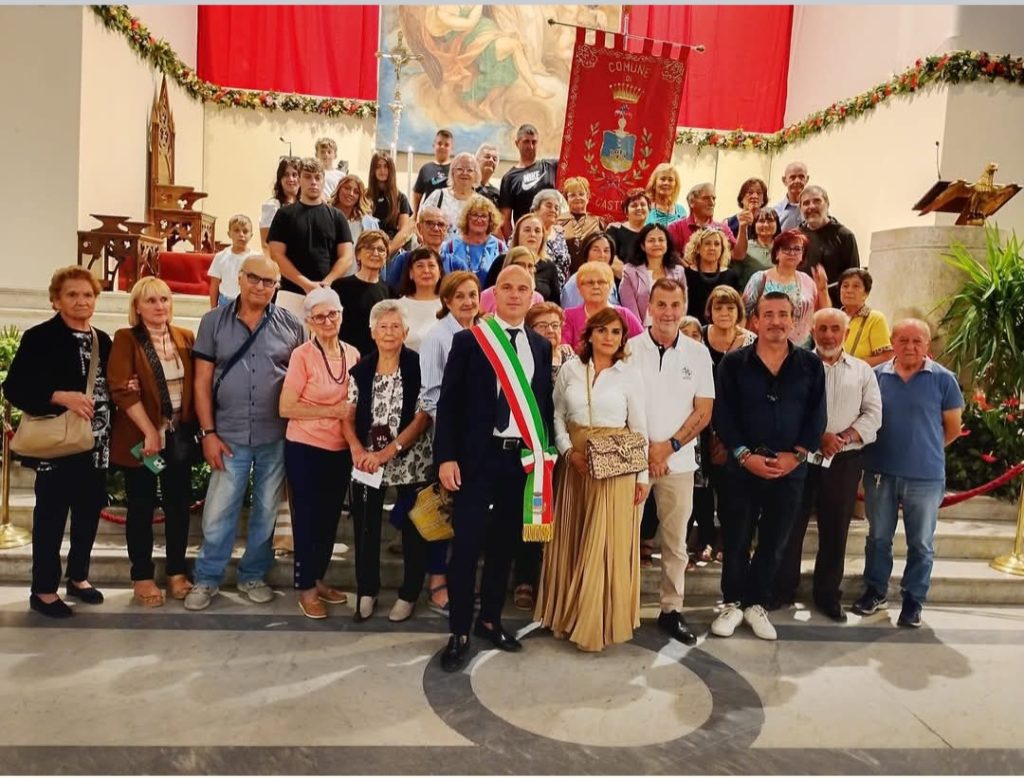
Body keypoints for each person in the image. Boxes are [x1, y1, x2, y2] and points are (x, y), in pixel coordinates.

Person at [434, 265, 555, 672]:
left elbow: (542, 405)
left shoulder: (540, 346)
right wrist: (446, 457)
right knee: (467, 547)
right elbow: (449, 403)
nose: (515, 295)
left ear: (532, 296)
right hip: (476, 458)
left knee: (504, 545)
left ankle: (489, 620)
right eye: (507, 287)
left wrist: (544, 455)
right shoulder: (470, 340)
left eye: (523, 288)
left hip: (518, 460)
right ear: (495, 294)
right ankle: (459, 631)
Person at [185, 256, 306, 611]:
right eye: (254, 278)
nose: (261, 287)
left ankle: (252, 575)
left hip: (275, 435)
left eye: (269, 282)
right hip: (228, 434)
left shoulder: (291, 324)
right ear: (239, 278)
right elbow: (202, 381)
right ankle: (207, 578)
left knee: (266, 511)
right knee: (218, 511)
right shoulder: (213, 322)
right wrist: (208, 432)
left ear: (276, 287)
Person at [711, 292, 826, 640]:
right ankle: (733, 602)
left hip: (790, 470)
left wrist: (798, 454)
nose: (776, 321)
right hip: (742, 468)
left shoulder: (810, 365)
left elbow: (817, 416)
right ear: (755, 321)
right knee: (736, 537)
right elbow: (723, 414)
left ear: (794, 320)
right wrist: (745, 455)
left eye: (783, 314)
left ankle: (756, 603)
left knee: (775, 540)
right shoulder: (733, 364)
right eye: (769, 314)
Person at [535, 307, 649, 651]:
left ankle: (595, 625)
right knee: (572, 539)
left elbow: (639, 427)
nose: (609, 338)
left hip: (615, 467)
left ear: (623, 339)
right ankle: (567, 617)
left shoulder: (629, 374)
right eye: (602, 330)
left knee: (603, 544)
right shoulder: (570, 369)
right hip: (575, 464)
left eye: (616, 332)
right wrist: (568, 451)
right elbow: (556, 415)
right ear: (589, 334)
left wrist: (642, 476)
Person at [3, 267, 112, 618]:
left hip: (95, 443)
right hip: (57, 444)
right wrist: (58, 396)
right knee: (50, 518)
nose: (81, 301)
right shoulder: (40, 337)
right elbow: (14, 388)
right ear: (56, 300)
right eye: (72, 295)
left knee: (87, 514)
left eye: (88, 295)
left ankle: (78, 577)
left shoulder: (102, 339)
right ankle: (44, 590)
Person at [852, 319, 963, 628]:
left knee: (921, 543)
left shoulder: (944, 380)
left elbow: (953, 428)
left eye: (917, 341)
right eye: (903, 340)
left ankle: (913, 600)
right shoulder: (875, 377)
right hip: (880, 472)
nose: (910, 346)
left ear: (927, 344)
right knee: (878, 537)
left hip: (925, 476)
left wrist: (923, 448)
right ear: (892, 342)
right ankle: (875, 591)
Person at [773, 308, 882, 621]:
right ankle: (782, 589)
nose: (829, 335)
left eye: (836, 329)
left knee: (835, 530)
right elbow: (784, 408)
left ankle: (827, 595)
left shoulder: (862, 371)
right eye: (822, 329)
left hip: (843, 460)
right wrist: (817, 436)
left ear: (846, 333)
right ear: (813, 331)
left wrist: (843, 438)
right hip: (800, 458)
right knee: (790, 525)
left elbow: (873, 414)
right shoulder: (795, 365)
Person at [628, 278, 715, 645]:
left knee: (676, 543)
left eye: (674, 305)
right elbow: (622, 402)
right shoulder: (630, 348)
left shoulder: (698, 353)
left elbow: (704, 410)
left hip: (678, 463)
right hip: (633, 462)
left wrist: (669, 447)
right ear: (649, 307)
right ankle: (621, 608)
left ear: (684, 307)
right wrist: (647, 451)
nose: (667, 312)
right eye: (661, 304)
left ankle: (671, 610)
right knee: (624, 538)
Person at [108, 277, 196, 607]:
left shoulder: (185, 336)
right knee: (141, 506)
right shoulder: (127, 338)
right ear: (137, 307)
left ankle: (176, 571)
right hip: (142, 438)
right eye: (151, 300)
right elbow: (121, 389)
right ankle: (142, 576)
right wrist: (149, 431)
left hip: (178, 436)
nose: (160, 306)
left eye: (164, 299)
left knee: (178, 506)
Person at [344, 301, 434, 623]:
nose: (389, 332)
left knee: (413, 530)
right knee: (366, 528)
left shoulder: (419, 367)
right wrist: (357, 449)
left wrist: (389, 451)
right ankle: (367, 591)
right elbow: (347, 415)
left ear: (406, 332)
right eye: (383, 326)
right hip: (368, 463)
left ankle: (409, 594)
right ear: (372, 332)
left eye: (396, 326)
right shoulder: (361, 370)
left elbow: (422, 417)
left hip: (411, 460)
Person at [279, 287, 359, 619]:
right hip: (305, 448)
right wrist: (331, 411)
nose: (327, 321)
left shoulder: (353, 354)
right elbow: (286, 407)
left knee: (328, 521)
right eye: (320, 316)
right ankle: (306, 588)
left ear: (341, 315)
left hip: (339, 449)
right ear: (309, 321)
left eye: (333, 314)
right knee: (308, 521)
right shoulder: (302, 355)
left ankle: (318, 578)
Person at [418, 270, 482, 616]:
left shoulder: (484, 332)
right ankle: (438, 582)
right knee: (442, 512)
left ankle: (462, 577)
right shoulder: (438, 337)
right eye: (460, 296)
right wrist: (451, 439)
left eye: (473, 295)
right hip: (449, 439)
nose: (468, 302)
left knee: (466, 515)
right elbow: (430, 395)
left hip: (478, 441)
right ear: (446, 300)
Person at [266, 157, 354, 321]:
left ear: (323, 180)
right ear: (299, 179)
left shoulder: (337, 217)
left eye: (317, 177)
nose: (313, 182)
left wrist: (327, 283)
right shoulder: (284, 215)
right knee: (285, 338)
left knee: (324, 338)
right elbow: (276, 255)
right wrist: (305, 284)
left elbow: (347, 257)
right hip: (291, 294)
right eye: (307, 177)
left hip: (327, 294)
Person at [742, 229, 830, 347]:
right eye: (786, 248)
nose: (792, 252)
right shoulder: (760, 278)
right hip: (764, 347)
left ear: (802, 255)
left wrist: (823, 289)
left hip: (802, 349)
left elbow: (823, 315)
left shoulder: (808, 281)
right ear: (777, 253)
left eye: (797, 249)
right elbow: (742, 313)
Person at [334, 230, 394, 357]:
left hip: (377, 360)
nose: (375, 253)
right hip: (346, 358)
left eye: (381, 250)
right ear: (358, 254)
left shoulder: (389, 292)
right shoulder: (340, 287)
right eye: (369, 248)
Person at [562, 262, 644, 353]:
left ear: (610, 286)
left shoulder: (624, 314)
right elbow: (563, 345)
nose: (596, 286)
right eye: (590, 283)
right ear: (579, 288)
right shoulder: (569, 315)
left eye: (601, 282)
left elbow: (643, 344)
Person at [798, 185, 860, 307]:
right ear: (800, 209)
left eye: (817, 201)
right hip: (801, 307)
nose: (811, 206)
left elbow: (853, 277)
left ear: (827, 204)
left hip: (835, 308)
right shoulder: (795, 237)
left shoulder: (844, 236)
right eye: (806, 203)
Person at [484, 212, 560, 303]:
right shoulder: (502, 261)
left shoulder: (549, 266)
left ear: (543, 236)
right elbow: (487, 297)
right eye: (527, 230)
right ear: (517, 234)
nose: (532, 234)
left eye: (537, 231)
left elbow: (555, 304)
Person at [498, 123, 559, 237]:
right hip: (527, 237)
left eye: (534, 142)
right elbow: (505, 219)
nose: (530, 146)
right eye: (526, 142)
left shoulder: (552, 166)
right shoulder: (509, 178)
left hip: (552, 236)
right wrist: (512, 243)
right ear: (517, 143)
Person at [620, 224, 688, 324]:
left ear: (667, 244)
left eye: (661, 240)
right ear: (642, 246)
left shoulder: (679, 271)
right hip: (642, 329)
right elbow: (630, 312)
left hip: (672, 328)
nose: (657, 244)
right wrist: (643, 333)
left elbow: (683, 305)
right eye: (651, 240)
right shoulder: (630, 272)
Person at [439, 194, 507, 286]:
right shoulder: (450, 247)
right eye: (475, 215)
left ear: (490, 220)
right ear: (467, 218)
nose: (479, 220)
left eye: (483, 216)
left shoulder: (500, 248)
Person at [384, 206, 450, 294]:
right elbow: (390, 293)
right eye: (430, 223)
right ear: (419, 228)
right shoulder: (403, 260)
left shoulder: (455, 263)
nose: (436, 228)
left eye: (441, 224)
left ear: (446, 230)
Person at [682, 228, 742, 324]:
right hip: (692, 328)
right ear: (698, 248)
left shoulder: (731, 276)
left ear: (722, 249)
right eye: (707, 243)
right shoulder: (685, 274)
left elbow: (739, 309)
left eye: (717, 244)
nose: (712, 248)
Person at [838, 268, 893, 366]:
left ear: (866, 293)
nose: (849, 290)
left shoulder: (875, 319)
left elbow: (886, 356)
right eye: (845, 286)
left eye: (856, 286)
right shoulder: (834, 317)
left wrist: (852, 367)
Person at [668, 182, 737, 255]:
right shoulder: (675, 228)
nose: (712, 203)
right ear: (692, 202)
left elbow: (737, 255)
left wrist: (742, 227)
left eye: (713, 198)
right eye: (706, 198)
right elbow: (669, 256)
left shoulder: (722, 228)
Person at [395, 246, 442, 351]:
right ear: (411, 273)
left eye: (431, 265)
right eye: (420, 266)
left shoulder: (450, 305)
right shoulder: (397, 307)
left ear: (440, 272)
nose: (426, 271)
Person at [422, 151, 480, 237]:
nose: (465, 173)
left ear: (476, 175)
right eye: (460, 169)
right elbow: (421, 221)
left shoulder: (480, 202)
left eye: (470, 170)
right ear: (453, 172)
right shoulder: (438, 196)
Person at [368, 151, 416, 255]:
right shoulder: (366, 196)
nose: (382, 170)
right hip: (369, 247)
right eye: (378, 167)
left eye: (386, 166)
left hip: (392, 248)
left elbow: (404, 231)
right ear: (373, 170)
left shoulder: (400, 198)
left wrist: (387, 251)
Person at [556, 176, 606, 275]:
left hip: (593, 274)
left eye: (581, 194)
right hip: (564, 275)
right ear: (566, 199)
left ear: (587, 197)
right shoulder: (557, 222)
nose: (578, 198)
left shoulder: (599, 222)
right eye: (572, 195)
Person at [561, 232, 622, 309]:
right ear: (586, 253)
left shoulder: (609, 279)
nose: (602, 255)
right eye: (596, 250)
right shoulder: (576, 283)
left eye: (606, 251)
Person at [208, 214, 257, 308]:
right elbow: (214, 285)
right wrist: (213, 309)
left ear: (251, 235)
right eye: (236, 230)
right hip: (225, 302)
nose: (241, 234)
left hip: (248, 301)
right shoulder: (220, 257)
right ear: (229, 234)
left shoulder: (256, 258)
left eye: (245, 231)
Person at [331, 174, 381, 261]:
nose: (351, 194)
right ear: (339, 189)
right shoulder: (326, 216)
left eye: (356, 192)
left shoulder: (367, 223)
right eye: (347, 188)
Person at [480, 247, 543, 314]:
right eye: (520, 265)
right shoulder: (487, 295)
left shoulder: (538, 299)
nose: (526, 270)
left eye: (530, 266)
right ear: (508, 265)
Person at [531, 189, 572, 288]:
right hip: (537, 289)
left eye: (556, 208)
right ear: (536, 209)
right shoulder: (526, 231)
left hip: (560, 290)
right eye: (548, 206)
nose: (553, 210)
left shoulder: (559, 234)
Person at [731, 207, 780, 289]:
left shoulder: (783, 247)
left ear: (777, 224)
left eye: (770, 221)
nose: (766, 225)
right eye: (761, 221)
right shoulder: (745, 246)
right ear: (754, 225)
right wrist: (743, 227)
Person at [526, 302, 577, 379]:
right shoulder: (526, 359)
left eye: (555, 325)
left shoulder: (570, 357)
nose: (550, 330)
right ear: (530, 330)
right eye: (542, 326)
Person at [259, 156, 300, 251]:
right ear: (280, 178)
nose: (291, 179)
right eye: (286, 175)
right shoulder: (271, 206)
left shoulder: (306, 205)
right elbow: (266, 244)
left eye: (295, 175)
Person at [725, 177, 768, 262]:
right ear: (742, 198)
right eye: (750, 193)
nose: (755, 196)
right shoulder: (728, 223)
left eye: (759, 193)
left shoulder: (768, 224)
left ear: (763, 200)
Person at [608, 188, 652, 271]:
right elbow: (611, 259)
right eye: (634, 205)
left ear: (649, 209)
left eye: (643, 204)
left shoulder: (654, 231)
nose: (639, 208)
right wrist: (633, 277)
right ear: (626, 211)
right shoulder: (614, 229)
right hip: (622, 277)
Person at [412, 128, 454, 214]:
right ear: (434, 145)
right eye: (439, 143)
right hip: (428, 214)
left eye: (446, 145)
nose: (442, 147)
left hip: (449, 214)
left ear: (451, 148)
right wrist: (415, 215)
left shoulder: (455, 169)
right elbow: (417, 194)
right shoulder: (425, 169)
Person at [773, 161, 809, 233]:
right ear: (784, 180)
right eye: (792, 177)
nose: (797, 181)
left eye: (801, 177)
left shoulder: (815, 209)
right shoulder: (775, 212)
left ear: (807, 179)